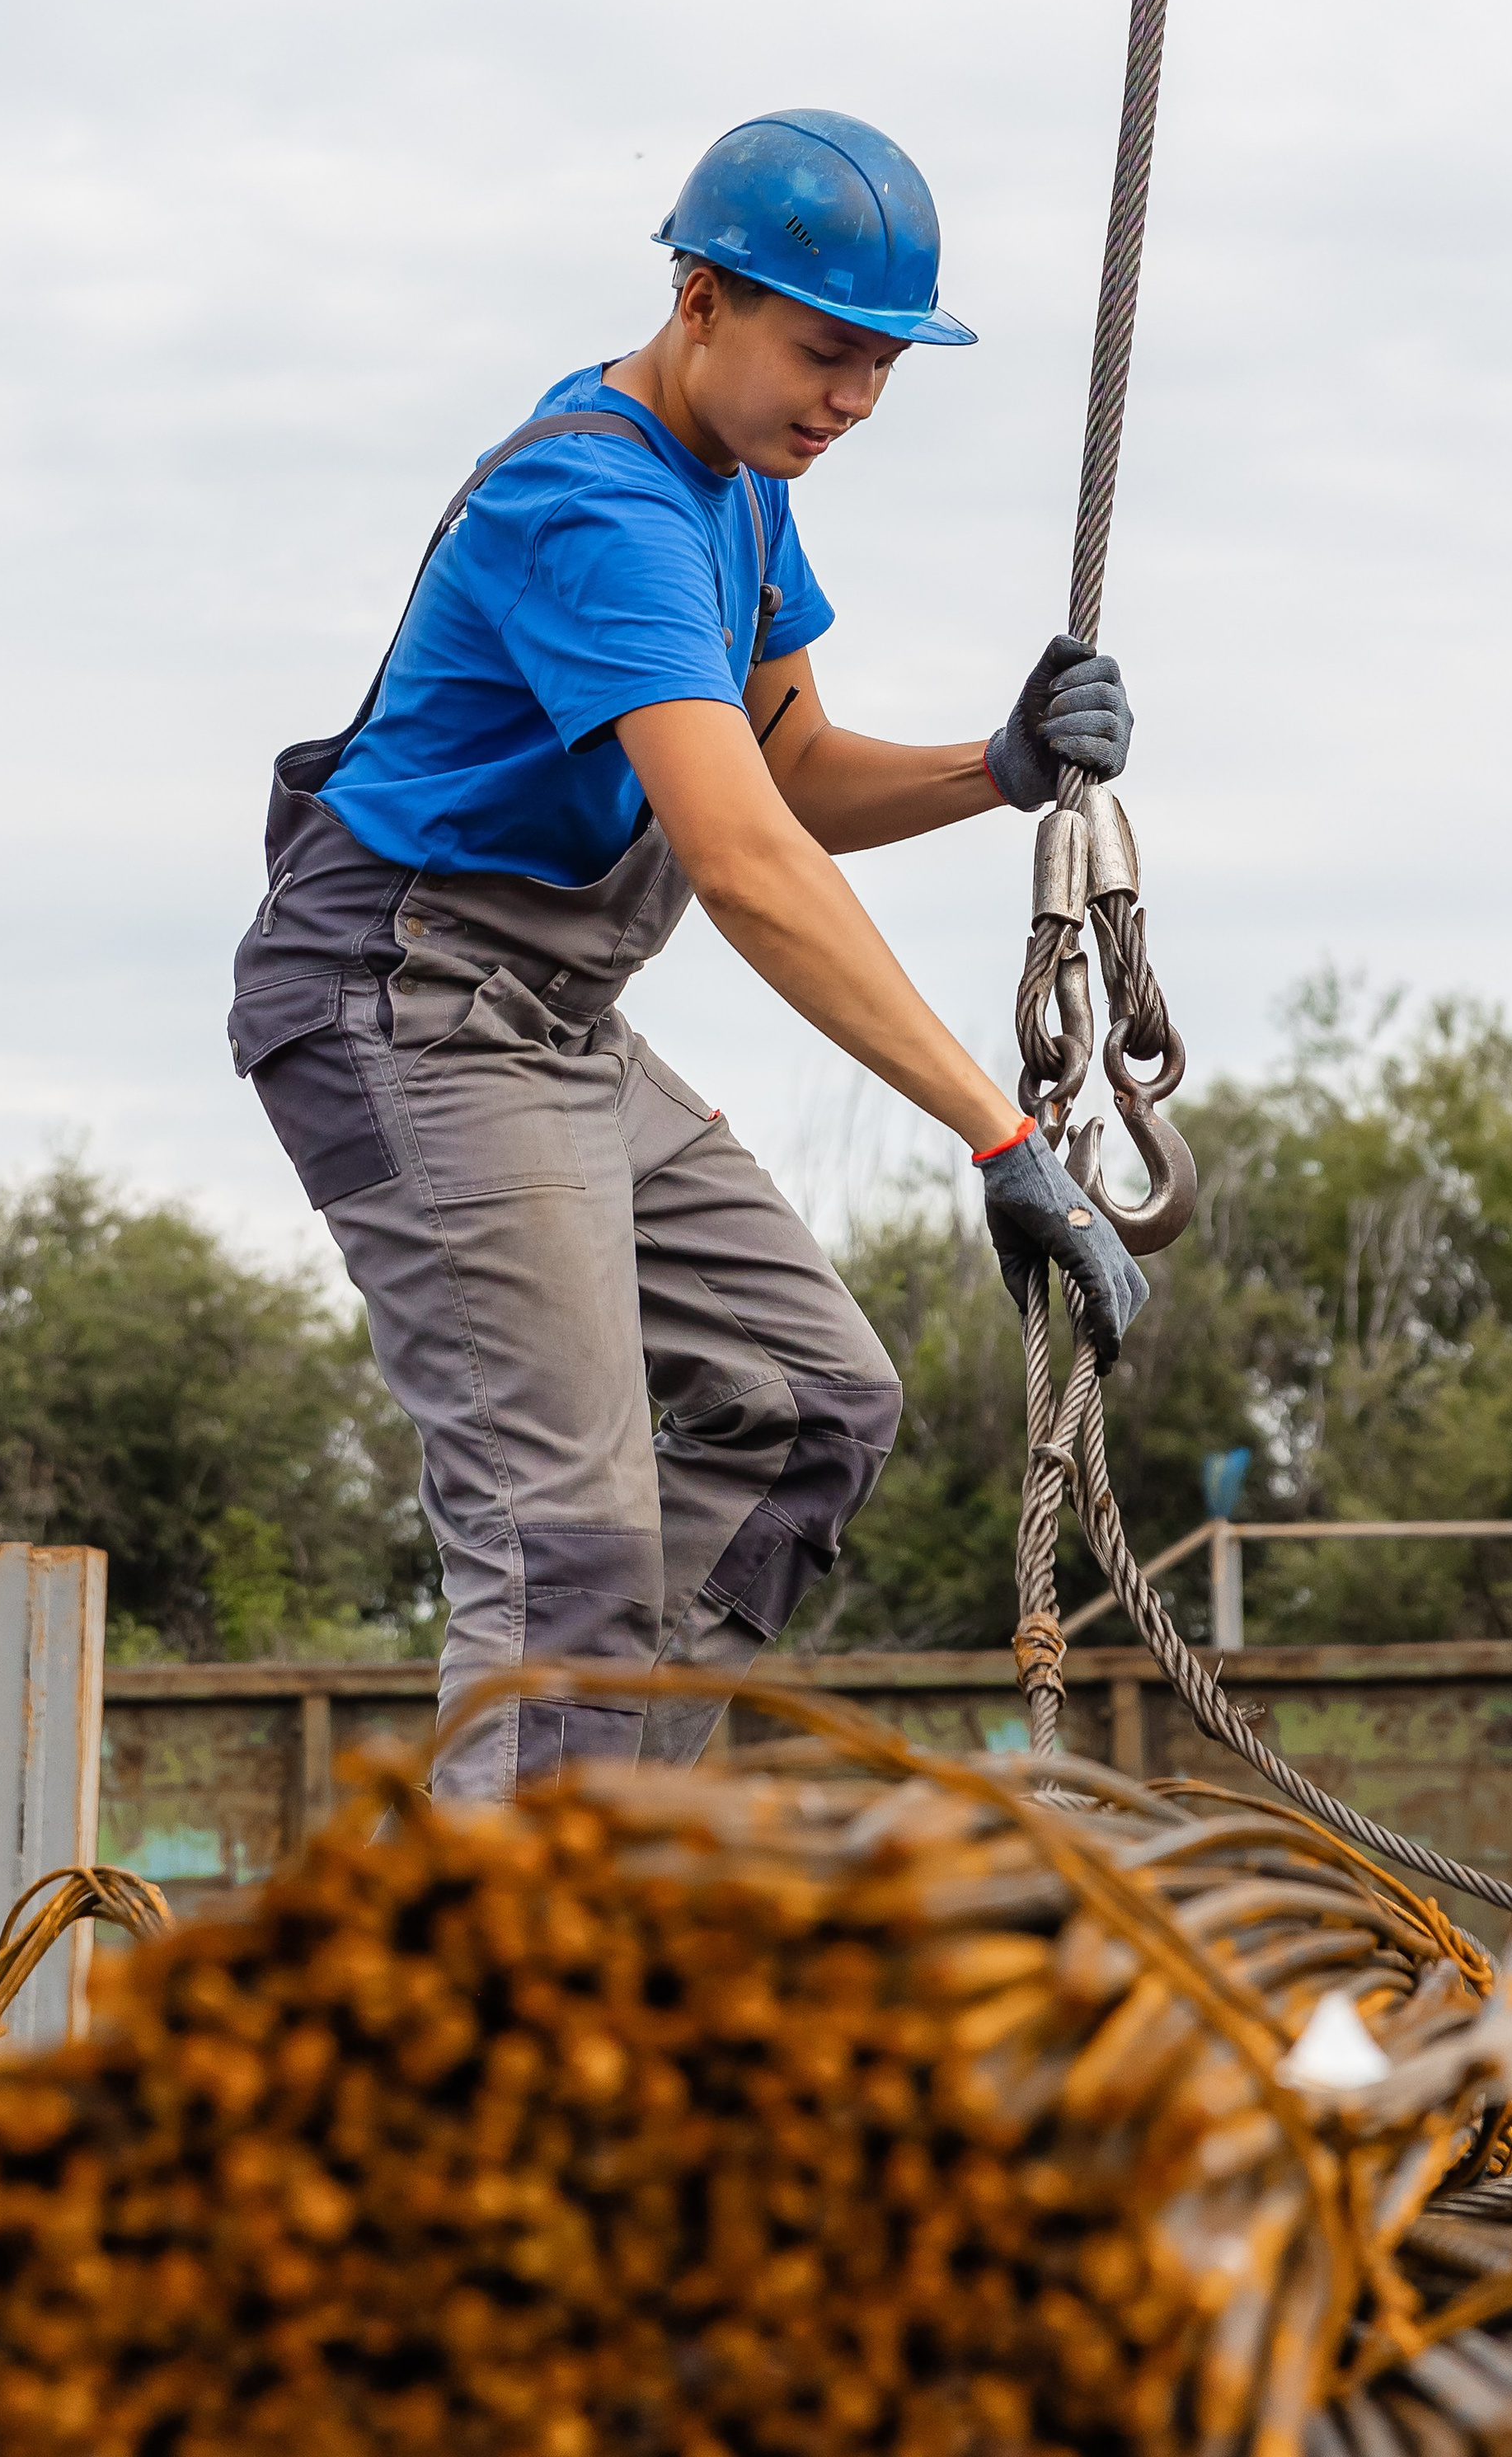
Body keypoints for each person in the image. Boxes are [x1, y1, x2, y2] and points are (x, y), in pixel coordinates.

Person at [230, 108, 1148, 1792]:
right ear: (700, 298)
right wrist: (1000, 1134)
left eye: (881, 365)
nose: (850, 400)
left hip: (548, 1015)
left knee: (808, 1403)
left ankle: (589, 1844)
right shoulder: (598, 505)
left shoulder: (739, 489)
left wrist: (992, 768)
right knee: (559, 1537)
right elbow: (741, 859)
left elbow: (788, 765)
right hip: (403, 999)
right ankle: (489, 1996)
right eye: (823, 352)